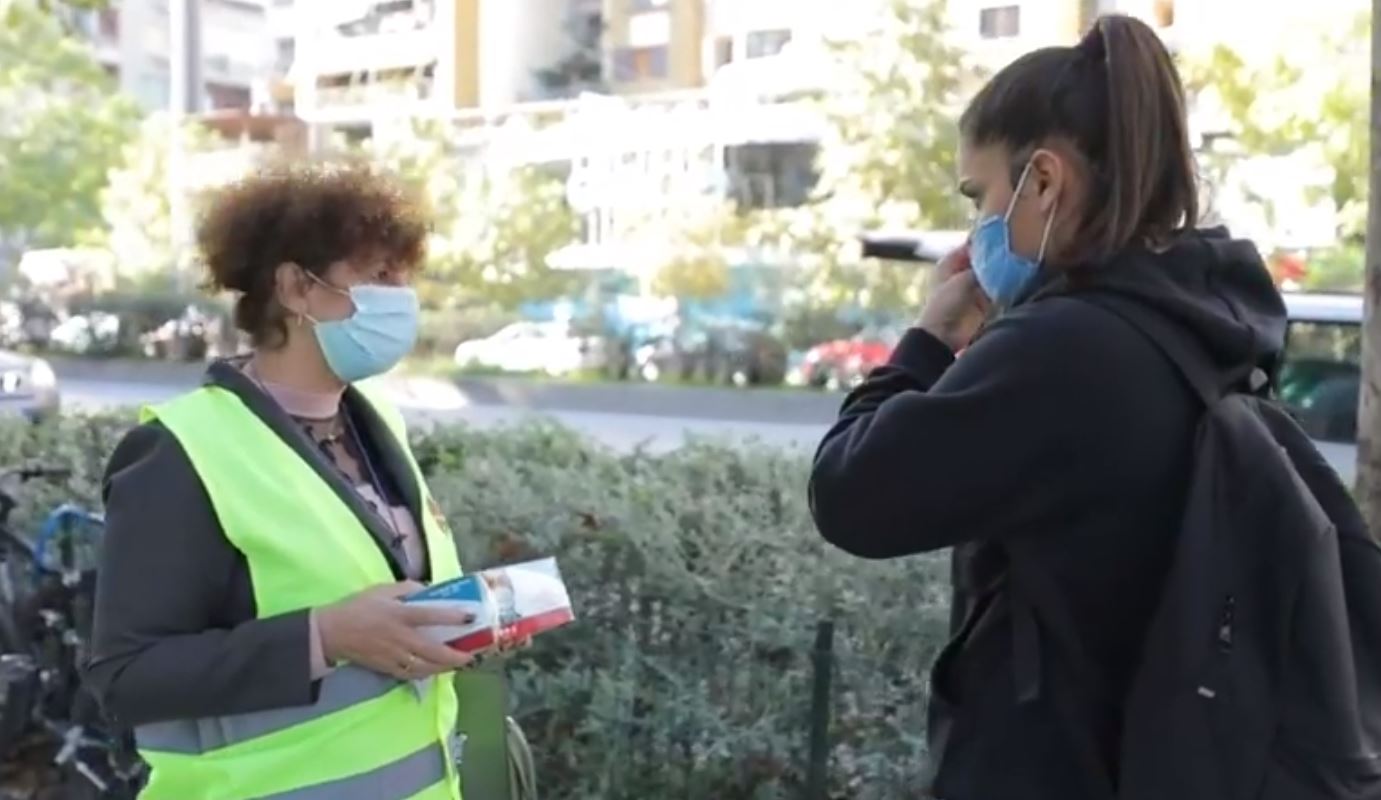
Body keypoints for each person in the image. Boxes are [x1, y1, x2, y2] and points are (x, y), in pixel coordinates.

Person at [809, 15, 1287, 800]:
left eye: (979, 195)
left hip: (1051, 764)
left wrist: (928, 340)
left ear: (1042, 180)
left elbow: (850, 495)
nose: (973, 233)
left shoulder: (1065, 348)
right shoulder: (1199, 322)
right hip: (1156, 755)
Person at [86, 161, 496, 800]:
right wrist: (323, 637)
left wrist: (466, 622)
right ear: (296, 289)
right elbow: (127, 676)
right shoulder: (180, 452)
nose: (402, 296)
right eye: (378, 275)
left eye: (405, 274)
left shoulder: (373, 420)